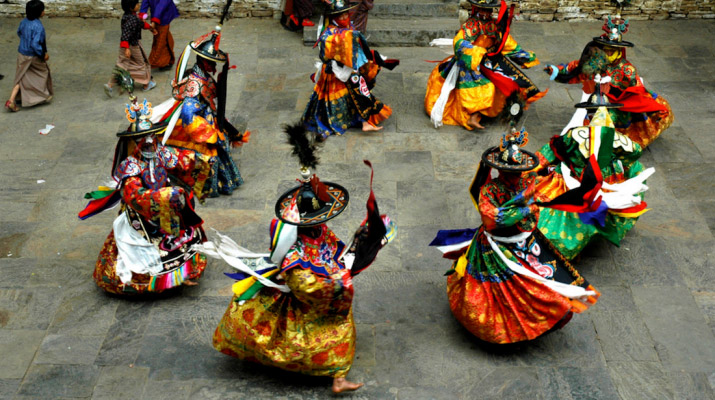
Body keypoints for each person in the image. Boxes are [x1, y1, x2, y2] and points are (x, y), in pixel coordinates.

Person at [202, 127, 395, 393]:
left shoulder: (316, 231)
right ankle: (336, 377)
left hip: (326, 281)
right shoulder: (293, 252)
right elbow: (305, 286)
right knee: (336, 329)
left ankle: (338, 376)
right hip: (308, 299)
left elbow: (331, 247)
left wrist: (358, 246)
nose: (323, 224)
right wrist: (339, 282)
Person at [430, 130, 599, 343]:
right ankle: (501, 327)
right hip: (495, 247)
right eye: (508, 172)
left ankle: (542, 316)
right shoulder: (490, 191)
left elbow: (533, 204)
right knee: (498, 290)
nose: (514, 176)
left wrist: (530, 209)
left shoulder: (525, 183)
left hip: (526, 241)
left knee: (539, 281)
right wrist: (524, 211)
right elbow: (492, 217)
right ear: (499, 171)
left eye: (517, 172)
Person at [79, 94, 211, 295]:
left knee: (181, 235)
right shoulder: (130, 167)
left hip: (166, 204)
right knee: (143, 248)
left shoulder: (161, 153)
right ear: (135, 140)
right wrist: (161, 197)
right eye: (144, 137)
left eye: (153, 135)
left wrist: (199, 159)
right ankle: (156, 281)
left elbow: (180, 160)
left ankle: (182, 274)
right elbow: (134, 195)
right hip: (142, 214)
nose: (149, 141)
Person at [533, 84, 653, 260]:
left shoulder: (574, 137)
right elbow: (633, 154)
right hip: (591, 183)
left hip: (587, 185)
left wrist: (531, 167)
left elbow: (549, 152)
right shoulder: (620, 141)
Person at [544, 15, 673, 148]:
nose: (610, 53)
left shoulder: (627, 69)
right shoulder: (595, 62)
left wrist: (612, 86)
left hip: (619, 105)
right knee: (590, 121)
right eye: (607, 49)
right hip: (596, 100)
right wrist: (556, 70)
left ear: (619, 51)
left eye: (613, 50)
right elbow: (576, 68)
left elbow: (635, 91)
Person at [154, 21, 249, 198]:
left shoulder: (203, 75)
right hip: (197, 126)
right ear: (204, 63)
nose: (214, 67)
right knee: (210, 154)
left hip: (206, 116)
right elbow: (188, 113)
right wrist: (206, 132)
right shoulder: (195, 84)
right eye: (211, 63)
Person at [425, 0, 545, 130]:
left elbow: (506, 43)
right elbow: (459, 42)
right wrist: (476, 51)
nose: (486, 12)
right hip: (471, 62)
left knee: (509, 82)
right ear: (476, 9)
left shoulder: (494, 25)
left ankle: (484, 114)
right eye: (483, 9)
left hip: (490, 60)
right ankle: (473, 117)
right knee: (486, 88)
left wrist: (524, 56)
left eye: (489, 10)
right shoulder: (470, 26)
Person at [300, 0, 398, 140]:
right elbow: (326, 53)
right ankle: (360, 121)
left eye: (346, 15)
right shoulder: (328, 33)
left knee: (358, 92)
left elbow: (356, 45)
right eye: (341, 16)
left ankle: (363, 121)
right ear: (333, 18)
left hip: (349, 68)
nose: (345, 18)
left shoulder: (349, 26)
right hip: (335, 73)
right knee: (354, 93)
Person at [6, 0, 52, 112]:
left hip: (22, 53)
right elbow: (35, 44)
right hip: (32, 56)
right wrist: (42, 54)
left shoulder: (24, 22)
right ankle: (40, 95)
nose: (44, 12)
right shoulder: (38, 27)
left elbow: (19, 32)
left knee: (21, 75)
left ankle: (12, 100)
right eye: (42, 10)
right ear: (39, 12)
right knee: (43, 72)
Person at [105, 0, 157, 97]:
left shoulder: (128, 16)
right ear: (131, 7)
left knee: (121, 65)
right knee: (141, 64)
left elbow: (141, 23)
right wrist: (127, 48)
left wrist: (150, 27)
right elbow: (125, 35)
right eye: (137, 4)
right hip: (132, 46)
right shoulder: (132, 19)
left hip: (125, 47)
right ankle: (146, 84)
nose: (139, 5)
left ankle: (110, 84)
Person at [140, 0, 179, 70]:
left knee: (160, 41)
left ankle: (152, 63)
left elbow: (161, 5)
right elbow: (145, 1)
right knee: (163, 37)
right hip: (156, 14)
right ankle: (167, 60)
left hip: (164, 15)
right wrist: (142, 15)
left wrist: (154, 20)